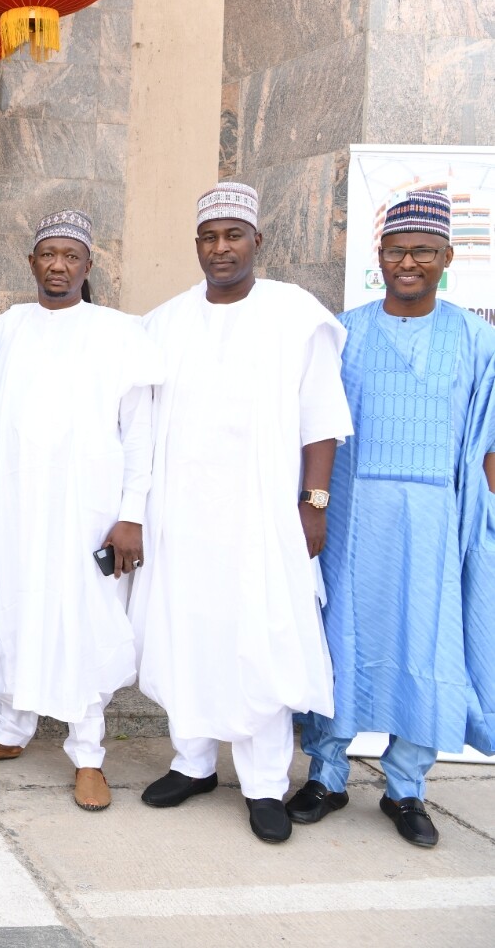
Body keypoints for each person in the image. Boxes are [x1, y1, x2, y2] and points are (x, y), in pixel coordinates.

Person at [133, 182, 352, 843]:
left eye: (233, 235)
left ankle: (263, 784)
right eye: (209, 237)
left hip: (262, 514)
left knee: (262, 638)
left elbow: (322, 418)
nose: (220, 248)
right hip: (181, 515)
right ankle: (193, 764)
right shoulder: (165, 321)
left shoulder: (295, 314)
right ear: (196, 245)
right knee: (189, 632)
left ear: (258, 240)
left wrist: (314, 503)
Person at [291, 190, 495, 848]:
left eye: (423, 251)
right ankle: (326, 775)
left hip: (437, 521)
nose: (409, 262)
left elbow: (487, 440)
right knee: (341, 638)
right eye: (396, 250)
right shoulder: (342, 332)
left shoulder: (478, 339)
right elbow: (312, 425)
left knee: (425, 643)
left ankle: (406, 787)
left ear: (447, 258)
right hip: (352, 520)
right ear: (378, 257)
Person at [0, 210, 163, 812]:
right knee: (12, 610)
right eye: (48, 254)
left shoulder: (120, 334)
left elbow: (139, 435)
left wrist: (131, 514)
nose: (59, 266)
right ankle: (8, 731)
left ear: (89, 265)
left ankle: (88, 753)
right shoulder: (3, 331)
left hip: (87, 514)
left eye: (71, 256)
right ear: (31, 263)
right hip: (14, 509)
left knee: (84, 619)